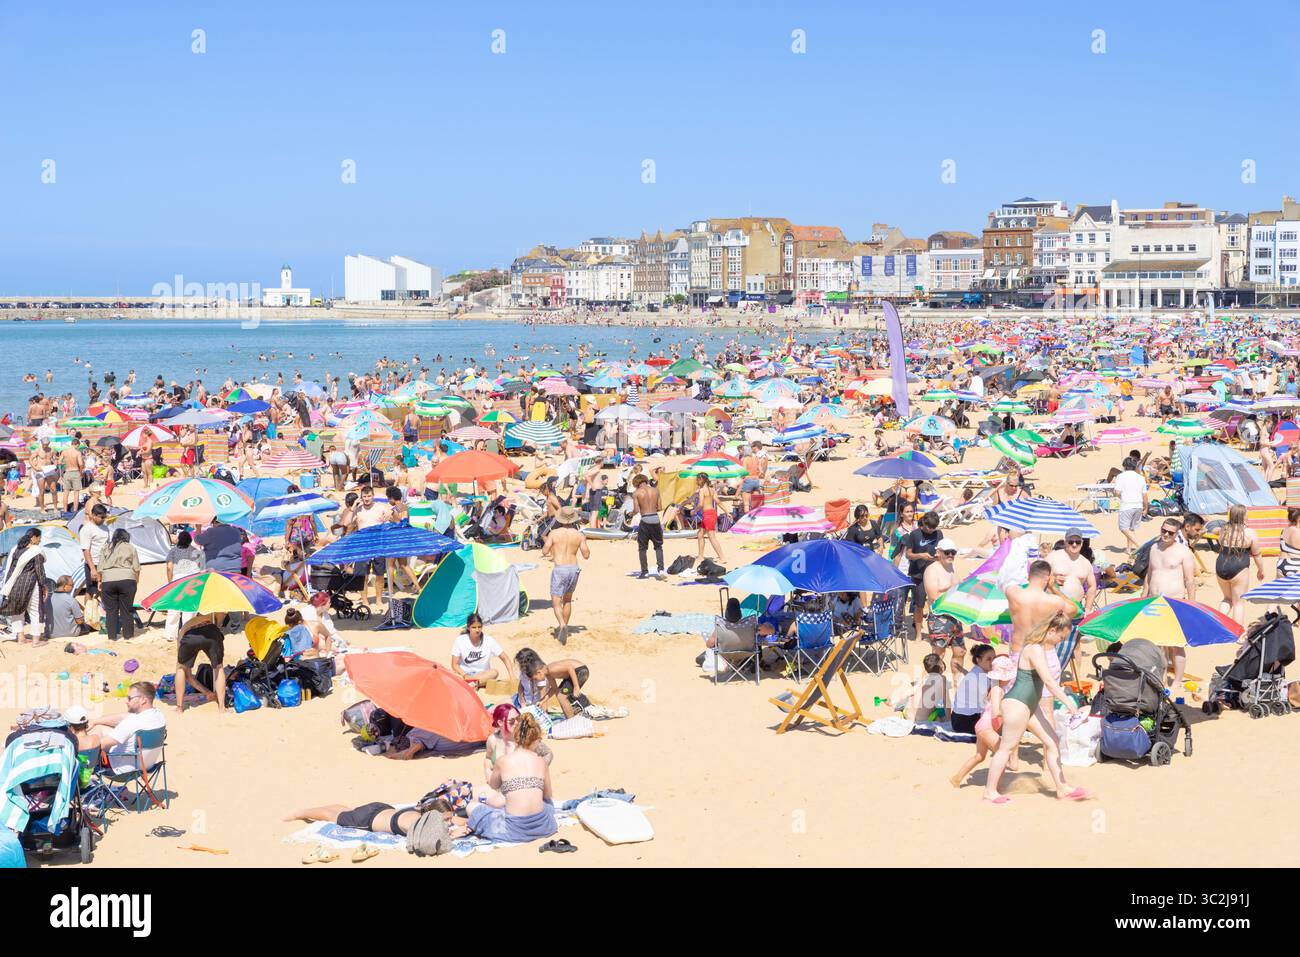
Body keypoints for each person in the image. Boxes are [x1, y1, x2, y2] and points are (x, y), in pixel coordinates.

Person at [982, 612, 1088, 805]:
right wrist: (1070, 705)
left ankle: (1062, 787)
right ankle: (990, 792)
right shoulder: (1034, 649)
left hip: (1030, 705)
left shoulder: (1039, 649)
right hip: (1017, 704)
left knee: (1052, 741)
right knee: (1006, 748)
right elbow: (1048, 681)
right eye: (1060, 637)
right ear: (1052, 630)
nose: (1060, 642)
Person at [465, 712, 557, 844]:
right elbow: (548, 795)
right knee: (548, 804)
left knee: (472, 807)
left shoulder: (503, 761)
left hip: (514, 829)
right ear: (535, 740)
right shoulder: (541, 761)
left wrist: (487, 767)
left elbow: (493, 785)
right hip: (543, 826)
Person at [1143, 518, 1196, 688]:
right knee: (1156, 642)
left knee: (1175, 643)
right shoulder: (1153, 548)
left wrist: (1192, 604)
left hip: (1175, 602)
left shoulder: (1183, 552)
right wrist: (1143, 596)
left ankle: (1178, 681)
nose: (1165, 534)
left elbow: (1190, 580)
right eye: (1163, 530)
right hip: (1154, 601)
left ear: (1177, 534)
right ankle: (1162, 677)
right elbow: (1149, 575)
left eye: (1170, 533)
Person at [950, 653, 1015, 787]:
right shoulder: (998, 690)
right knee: (1002, 755)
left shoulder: (995, 688)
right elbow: (996, 712)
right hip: (986, 727)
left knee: (979, 756)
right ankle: (998, 786)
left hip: (982, 726)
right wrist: (1008, 716)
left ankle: (957, 778)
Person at [78, 681, 166, 774]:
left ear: (143, 700)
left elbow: (99, 745)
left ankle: (82, 779)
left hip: (119, 769)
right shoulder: (159, 716)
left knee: (95, 736)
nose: (126, 701)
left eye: (129, 698)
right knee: (99, 727)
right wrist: (95, 721)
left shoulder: (132, 722)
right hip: (146, 765)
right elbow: (122, 717)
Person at [541, 505, 588, 644]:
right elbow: (586, 555)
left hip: (560, 568)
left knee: (556, 602)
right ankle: (565, 626)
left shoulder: (554, 533)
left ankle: (562, 624)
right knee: (567, 600)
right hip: (573, 568)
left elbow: (544, 551)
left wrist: (550, 547)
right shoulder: (579, 535)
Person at [1214, 504, 1264, 626]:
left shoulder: (1224, 530)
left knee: (1227, 599)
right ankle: (1237, 634)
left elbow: (1220, 541)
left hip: (1221, 565)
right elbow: (1257, 554)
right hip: (1239, 567)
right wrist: (1261, 570)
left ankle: (1216, 625)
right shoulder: (1249, 533)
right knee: (1238, 603)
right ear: (1243, 516)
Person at [923, 537, 965, 676]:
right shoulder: (931, 570)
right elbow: (933, 596)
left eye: (953, 552)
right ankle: (931, 684)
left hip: (955, 615)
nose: (951, 555)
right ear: (939, 552)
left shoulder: (953, 567)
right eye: (947, 552)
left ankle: (956, 682)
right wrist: (952, 590)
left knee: (960, 651)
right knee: (938, 655)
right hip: (939, 618)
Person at [0, 528, 48, 645]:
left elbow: (10, 569)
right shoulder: (36, 551)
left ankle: (21, 638)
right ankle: (36, 641)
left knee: (17, 611)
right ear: (33, 538)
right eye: (39, 538)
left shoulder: (15, 549)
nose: (40, 541)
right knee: (35, 611)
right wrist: (44, 586)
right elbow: (39, 571)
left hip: (14, 584)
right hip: (30, 584)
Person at [174, 613, 228, 714]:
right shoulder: (212, 612)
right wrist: (208, 693)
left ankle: (179, 708)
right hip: (211, 631)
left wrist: (206, 693)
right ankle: (222, 708)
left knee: (181, 669)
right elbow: (220, 620)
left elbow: (188, 676)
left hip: (189, 634)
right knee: (219, 667)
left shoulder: (184, 628)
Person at [515, 647, 588, 719]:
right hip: (571, 676)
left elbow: (570, 667)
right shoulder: (548, 675)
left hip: (580, 671)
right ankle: (571, 716)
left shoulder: (551, 669)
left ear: (539, 672)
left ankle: (571, 720)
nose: (537, 681)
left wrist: (576, 686)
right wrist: (543, 700)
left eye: (536, 679)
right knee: (559, 694)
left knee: (561, 696)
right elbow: (554, 689)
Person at [903, 510, 942, 639]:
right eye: (929, 527)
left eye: (934, 527)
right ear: (924, 522)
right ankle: (919, 634)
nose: (931, 530)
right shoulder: (915, 535)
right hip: (918, 575)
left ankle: (936, 632)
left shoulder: (939, 534)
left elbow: (943, 552)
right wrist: (921, 555)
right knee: (919, 605)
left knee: (936, 604)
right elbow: (908, 554)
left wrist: (938, 557)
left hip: (935, 574)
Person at [450, 613, 512, 689]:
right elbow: (454, 664)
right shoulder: (460, 640)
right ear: (468, 627)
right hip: (464, 674)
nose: (477, 630)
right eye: (474, 627)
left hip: (483, 675)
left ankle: (472, 684)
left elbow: (505, 657)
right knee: (450, 673)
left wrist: (512, 676)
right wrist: (465, 675)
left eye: (479, 627)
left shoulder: (489, 640)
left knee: (494, 672)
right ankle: (472, 684)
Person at [99, 528, 140, 641]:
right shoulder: (130, 547)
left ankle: (112, 637)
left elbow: (100, 567)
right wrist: (136, 580)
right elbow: (136, 567)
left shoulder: (106, 547)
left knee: (111, 611)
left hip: (108, 580)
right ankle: (128, 636)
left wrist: (99, 581)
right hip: (127, 578)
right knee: (127, 610)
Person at [163, 529, 204, 640]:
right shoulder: (197, 551)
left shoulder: (173, 551)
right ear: (190, 541)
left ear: (179, 540)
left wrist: (170, 582)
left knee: (174, 609)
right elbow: (202, 569)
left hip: (177, 580)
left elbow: (169, 567)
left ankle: (170, 635)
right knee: (189, 609)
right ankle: (188, 633)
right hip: (193, 580)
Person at [1047, 527, 1098, 614]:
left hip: (1075, 610)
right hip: (1053, 609)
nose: (1074, 544)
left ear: (1081, 543)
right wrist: (1054, 579)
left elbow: (1092, 586)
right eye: (1071, 542)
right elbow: (1039, 577)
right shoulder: (1052, 557)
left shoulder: (1086, 563)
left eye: (1077, 542)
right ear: (1065, 542)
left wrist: (1088, 609)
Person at [950, 643, 996, 735]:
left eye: (994, 658)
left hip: (957, 719)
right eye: (989, 659)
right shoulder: (981, 676)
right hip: (966, 721)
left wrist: (962, 670)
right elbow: (989, 701)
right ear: (978, 660)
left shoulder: (976, 670)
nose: (992, 662)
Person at [631, 473, 665, 579]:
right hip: (655, 519)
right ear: (645, 480)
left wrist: (629, 514)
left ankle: (644, 572)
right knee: (658, 546)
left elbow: (636, 510)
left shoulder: (636, 493)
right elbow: (660, 507)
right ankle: (661, 569)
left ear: (636, 483)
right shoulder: (656, 490)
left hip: (645, 520)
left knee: (642, 548)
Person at [1113, 456, 1148, 552]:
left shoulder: (1120, 476)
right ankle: (1129, 549)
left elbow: (1117, 492)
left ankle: (1140, 547)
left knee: (1123, 528)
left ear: (1124, 466)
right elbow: (1144, 494)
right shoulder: (1141, 477)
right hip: (1139, 506)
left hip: (1127, 505)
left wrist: (1118, 495)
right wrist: (1146, 508)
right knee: (1131, 529)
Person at [79, 503, 110, 604]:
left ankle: (104, 610)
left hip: (105, 563)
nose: (103, 519)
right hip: (93, 564)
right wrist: (92, 569)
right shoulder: (87, 529)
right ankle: (88, 615)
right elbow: (86, 550)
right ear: (93, 515)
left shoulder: (105, 528)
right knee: (90, 590)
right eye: (101, 517)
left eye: (104, 517)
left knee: (105, 588)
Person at [694, 473, 725, 563]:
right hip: (712, 513)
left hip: (707, 515)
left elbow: (700, 504)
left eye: (697, 479)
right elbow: (718, 502)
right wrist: (727, 512)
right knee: (700, 534)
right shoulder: (712, 490)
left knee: (712, 537)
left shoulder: (702, 490)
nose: (696, 481)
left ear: (701, 480)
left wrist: (694, 511)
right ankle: (700, 556)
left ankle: (722, 557)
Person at [58, 440, 85, 514]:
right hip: (75, 472)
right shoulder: (77, 453)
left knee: (66, 493)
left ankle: (65, 511)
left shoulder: (64, 452)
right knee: (76, 493)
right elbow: (80, 464)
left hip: (67, 472)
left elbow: (59, 462)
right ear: (77, 445)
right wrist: (81, 472)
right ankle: (75, 511)